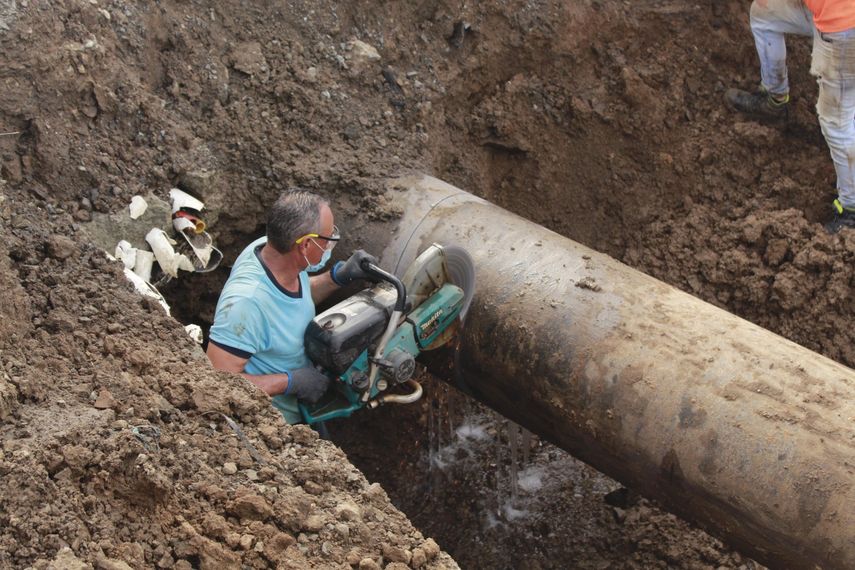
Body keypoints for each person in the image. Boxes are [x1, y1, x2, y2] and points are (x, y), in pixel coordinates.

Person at [206, 190, 376, 423]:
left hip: (305, 398)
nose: (330, 245)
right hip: (272, 423)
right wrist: (290, 382)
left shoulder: (272, 250)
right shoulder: (247, 304)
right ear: (305, 246)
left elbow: (291, 304)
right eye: (328, 239)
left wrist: (336, 278)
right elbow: (217, 382)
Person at [725, 0, 855, 233]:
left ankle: (851, 209)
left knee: (836, 122)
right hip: (835, 12)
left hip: (844, 27)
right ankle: (774, 97)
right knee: (765, 13)